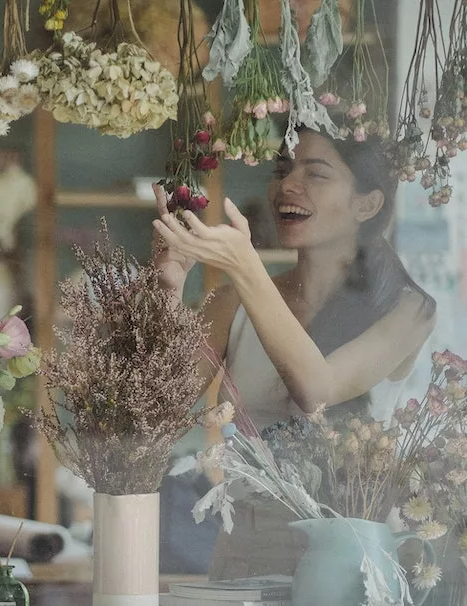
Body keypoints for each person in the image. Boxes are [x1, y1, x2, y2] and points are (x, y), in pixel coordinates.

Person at [153, 127, 436, 579]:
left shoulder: (408, 308)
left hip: (348, 565)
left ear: (368, 204)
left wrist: (246, 265)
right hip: (245, 555)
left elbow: (317, 393)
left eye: (315, 173)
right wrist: (167, 288)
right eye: (283, 169)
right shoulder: (232, 301)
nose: (287, 184)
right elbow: (156, 415)